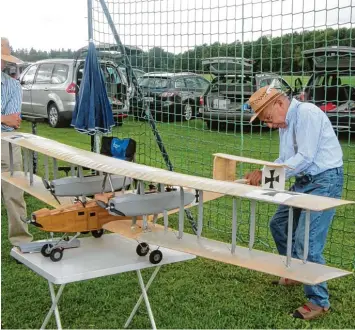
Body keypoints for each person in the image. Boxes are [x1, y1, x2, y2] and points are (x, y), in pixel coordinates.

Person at [244, 84, 344, 320]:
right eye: (266, 122)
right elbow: (285, 159)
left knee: (306, 242)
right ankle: (296, 271)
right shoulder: (284, 123)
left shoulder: (306, 113)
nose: (269, 125)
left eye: (268, 118)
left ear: (279, 103)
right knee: (278, 224)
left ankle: (319, 301)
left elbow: (306, 158)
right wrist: (263, 171)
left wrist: (269, 174)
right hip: (303, 179)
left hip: (324, 181)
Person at [1, 37, 33, 246]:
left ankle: (22, 241)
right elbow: (6, 119)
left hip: (6, 142)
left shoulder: (13, 86)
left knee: (14, 193)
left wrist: (4, 120)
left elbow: (13, 121)